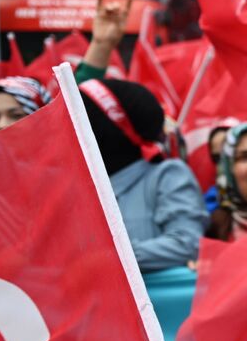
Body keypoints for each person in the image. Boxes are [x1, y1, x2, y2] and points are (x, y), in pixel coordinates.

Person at [78, 78, 206, 271]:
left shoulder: (166, 176)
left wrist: (110, 258)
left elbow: (187, 243)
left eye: (86, 118)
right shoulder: (78, 190)